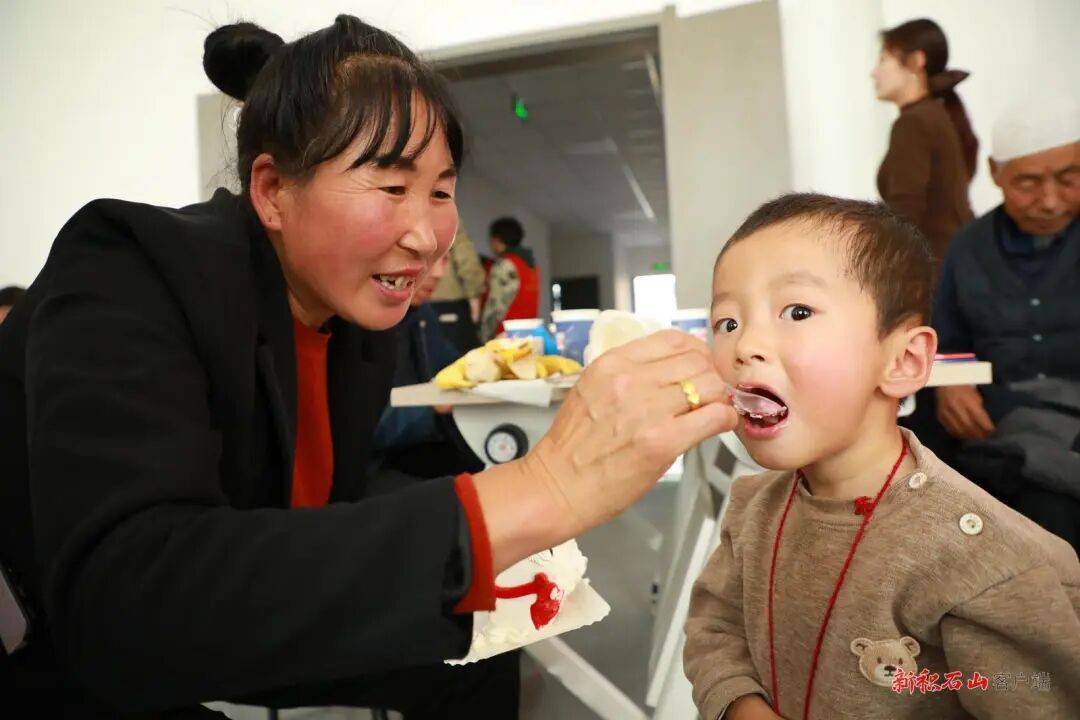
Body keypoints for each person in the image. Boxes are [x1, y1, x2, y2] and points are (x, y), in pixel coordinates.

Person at [0, 16, 737, 718]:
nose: (427, 234)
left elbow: (323, 507)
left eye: (442, 191)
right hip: (78, 654)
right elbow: (124, 607)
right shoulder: (131, 268)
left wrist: (479, 541)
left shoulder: (356, 320)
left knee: (475, 653)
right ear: (272, 191)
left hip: (243, 602)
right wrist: (532, 491)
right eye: (390, 186)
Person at [684, 194, 1080, 720]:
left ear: (903, 361)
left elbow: (1021, 689)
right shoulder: (751, 507)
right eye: (727, 322)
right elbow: (715, 630)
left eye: (797, 311)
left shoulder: (985, 560)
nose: (744, 345)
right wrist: (740, 705)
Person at [933, 96, 1080, 552]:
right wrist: (952, 385)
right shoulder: (969, 247)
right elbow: (948, 338)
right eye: (1028, 184)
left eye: (1069, 178)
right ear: (996, 173)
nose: (1050, 200)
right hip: (1002, 419)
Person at [370, 252, 484, 481]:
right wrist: (432, 406)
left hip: (426, 448)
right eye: (429, 258)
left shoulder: (422, 313)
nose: (439, 273)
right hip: (382, 466)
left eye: (445, 260)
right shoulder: (366, 319)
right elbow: (365, 430)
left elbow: (454, 365)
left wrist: (491, 358)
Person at [873, 18, 976, 271]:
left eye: (883, 60)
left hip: (935, 273)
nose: (874, 72)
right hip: (956, 264)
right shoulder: (935, 115)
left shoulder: (914, 122)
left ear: (917, 61)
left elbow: (905, 209)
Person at [428, 226, 487, 353]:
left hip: (414, 302)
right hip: (449, 303)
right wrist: (474, 295)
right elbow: (466, 260)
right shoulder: (447, 215)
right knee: (460, 362)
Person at [479, 217, 539, 341]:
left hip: (505, 336)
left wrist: (483, 336)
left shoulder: (505, 265)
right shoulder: (532, 266)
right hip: (529, 334)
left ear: (496, 240)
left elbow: (495, 307)